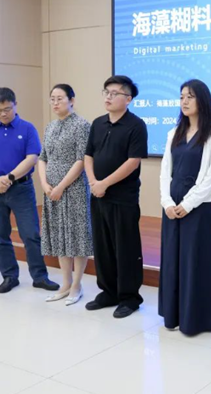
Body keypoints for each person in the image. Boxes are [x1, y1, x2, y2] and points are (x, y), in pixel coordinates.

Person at [0, 87, 59, 294]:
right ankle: (9, 276)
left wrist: (9, 178)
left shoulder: (27, 128)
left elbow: (32, 158)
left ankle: (39, 276)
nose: (3, 114)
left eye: (7, 109)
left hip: (20, 188)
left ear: (15, 105)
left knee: (30, 234)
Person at [158, 79, 211, 335]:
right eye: (181, 96)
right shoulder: (173, 132)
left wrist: (188, 204)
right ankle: (173, 315)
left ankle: (196, 320)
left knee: (194, 261)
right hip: (171, 206)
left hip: (197, 207)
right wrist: (167, 202)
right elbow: (165, 171)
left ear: (202, 100)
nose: (184, 101)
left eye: (190, 96)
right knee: (172, 260)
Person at [84, 75, 148, 318]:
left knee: (125, 248)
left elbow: (133, 162)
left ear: (128, 99)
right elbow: (88, 155)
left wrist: (105, 183)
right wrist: (93, 182)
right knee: (102, 247)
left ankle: (129, 297)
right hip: (98, 195)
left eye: (115, 93)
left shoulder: (136, 125)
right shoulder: (98, 123)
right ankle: (108, 292)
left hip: (123, 198)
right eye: (106, 92)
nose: (108, 97)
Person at [38, 84, 93, 306]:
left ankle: (77, 285)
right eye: (52, 98)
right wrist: (44, 183)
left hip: (74, 189)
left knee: (76, 237)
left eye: (60, 98)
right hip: (51, 190)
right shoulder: (50, 126)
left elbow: (81, 160)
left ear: (72, 100)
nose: (55, 102)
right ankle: (65, 283)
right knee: (60, 236)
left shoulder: (82, 125)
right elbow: (42, 158)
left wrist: (61, 186)